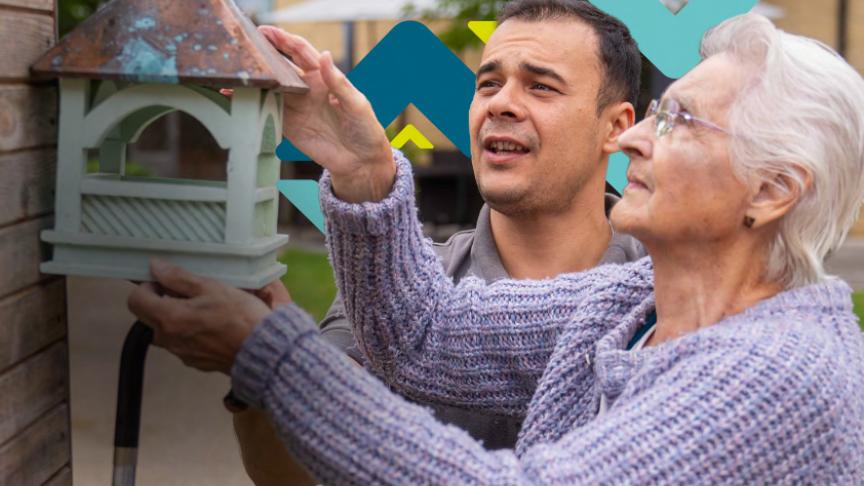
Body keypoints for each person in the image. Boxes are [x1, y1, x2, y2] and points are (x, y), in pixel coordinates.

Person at [128, 11, 864, 484]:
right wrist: (362, 169)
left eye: (680, 123)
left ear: (773, 191)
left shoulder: (775, 374)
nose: (638, 139)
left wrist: (273, 356)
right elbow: (421, 338)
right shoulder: (631, 302)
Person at [232, 2, 645, 480]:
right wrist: (255, 366)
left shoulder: (674, 293)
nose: (500, 103)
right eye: (488, 83)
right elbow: (297, 473)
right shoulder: (387, 288)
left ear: (616, 127)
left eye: (541, 86)